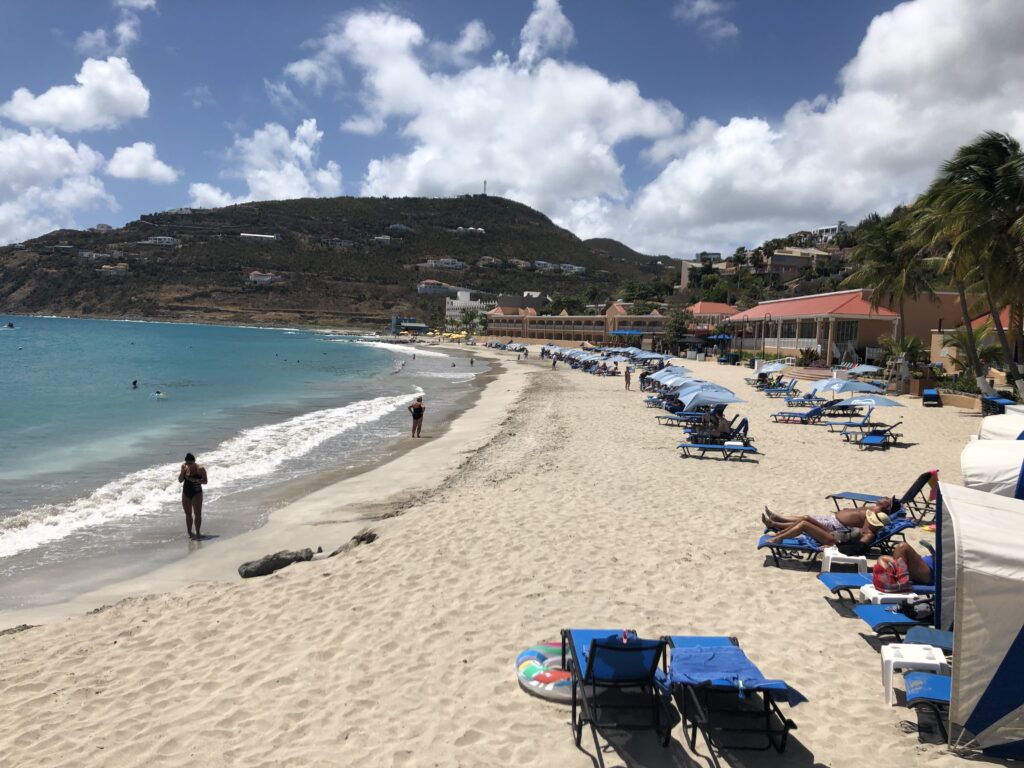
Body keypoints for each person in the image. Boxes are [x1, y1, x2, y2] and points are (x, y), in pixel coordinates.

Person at [763, 498, 892, 551]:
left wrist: (833, 547)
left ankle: (778, 536)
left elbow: (856, 549)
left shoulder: (868, 534)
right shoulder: (866, 528)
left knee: (804, 523)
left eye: (872, 520)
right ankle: (779, 532)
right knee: (804, 521)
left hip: (833, 540)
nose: (869, 520)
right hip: (834, 535)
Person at [178, 453, 208, 539]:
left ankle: (198, 532)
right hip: (186, 492)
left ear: (194, 462)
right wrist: (183, 471)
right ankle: (189, 532)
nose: (189, 465)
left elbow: (205, 481)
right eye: (187, 463)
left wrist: (196, 480)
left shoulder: (200, 469)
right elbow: (180, 480)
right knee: (188, 514)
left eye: (190, 463)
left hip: (197, 492)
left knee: (197, 513)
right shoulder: (184, 467)